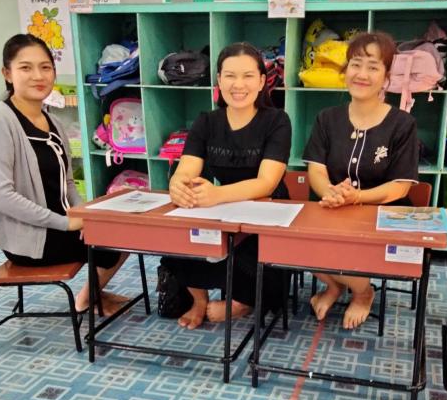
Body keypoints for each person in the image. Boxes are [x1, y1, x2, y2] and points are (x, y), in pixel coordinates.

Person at [0, 34, 128, 316]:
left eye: (45, 67)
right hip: (29, 237)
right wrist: (66, 223)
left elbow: (67, 182)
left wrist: (83, 215)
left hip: (58, 225)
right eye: (25, 68)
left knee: (122, 230)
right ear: (7, 74)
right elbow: (0, 196)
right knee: (116, 241)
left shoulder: (53, 121)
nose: (38, 76)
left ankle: (94, 293)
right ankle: (87, 298)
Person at [162, 42, 292, 330]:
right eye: (230, 76)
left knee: (259, 264)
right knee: (176, 243)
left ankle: (243, 302)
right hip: (221, 209)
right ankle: (199, 299)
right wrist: (177, 185)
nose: (238, 85)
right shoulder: (206, 122)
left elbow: (267, 183)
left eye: (248, 76)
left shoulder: (277, 121)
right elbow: (186, 169)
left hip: (267, 211)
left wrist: (217, 194)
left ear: (262, 81)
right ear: (219, 80)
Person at [302, 32, 419, 330]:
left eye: (373, 67)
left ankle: (362, 292)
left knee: (346, 245)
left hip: (379, 213)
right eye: (355, 64)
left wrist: (356, 197)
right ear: (345, 71)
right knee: (296, 242)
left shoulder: (402, 123)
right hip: (332, 208)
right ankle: (335, 285)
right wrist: (331, 193)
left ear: (386, 76)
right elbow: (316, 169)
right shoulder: (327, 118)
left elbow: (400, 187)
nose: (362, 74)